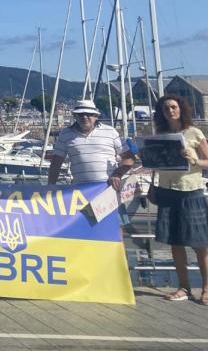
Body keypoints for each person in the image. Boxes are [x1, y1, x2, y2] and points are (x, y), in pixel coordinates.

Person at [149, 95, 208, 304]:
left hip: (190, 190)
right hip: (167, 190)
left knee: (200, 243)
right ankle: (184, 287)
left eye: (173, 107)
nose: (171, 111)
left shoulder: (194, 132)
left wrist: (195, 159)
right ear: (161, 113)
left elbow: (207, 161)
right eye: (166, 109)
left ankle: (207, 288)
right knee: (175, 243)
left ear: (181, 109)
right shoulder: (161, 134)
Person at [47, 99, 136, 188]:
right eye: (80, 114)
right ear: (75, 116)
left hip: (108, 189)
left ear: (96, 116)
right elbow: (56, 163)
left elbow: (129, 158)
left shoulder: (110, 132)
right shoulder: (65, 134)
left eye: (89, 114)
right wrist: (50, 187)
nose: (85, 117)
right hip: (80, 191)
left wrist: (117, 175)